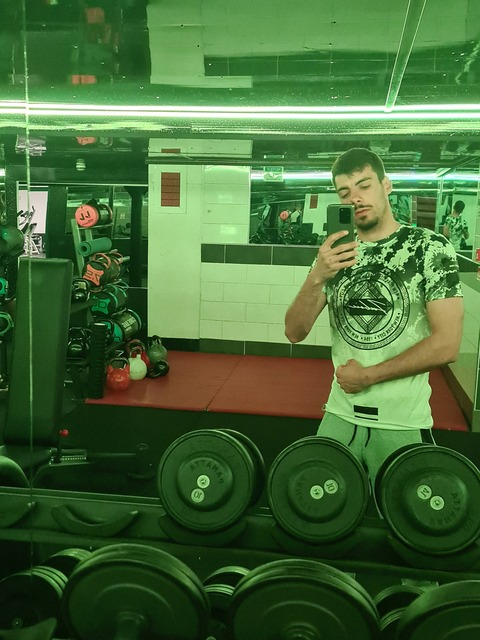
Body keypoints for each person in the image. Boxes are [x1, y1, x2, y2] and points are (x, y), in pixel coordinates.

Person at [284, 148, 464, 488]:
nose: (355, 198)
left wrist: (368, 376)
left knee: (406, 514)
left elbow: (447, 345)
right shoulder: (335, 255)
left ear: (386, 185)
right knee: (320, 507)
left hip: (402, 421)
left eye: (364, 186)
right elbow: (294, 331)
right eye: (344, 192)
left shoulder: (429, 248)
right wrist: (318, 275)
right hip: (339, 414)